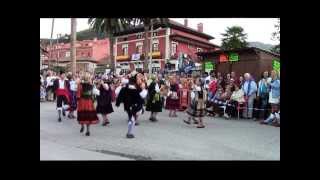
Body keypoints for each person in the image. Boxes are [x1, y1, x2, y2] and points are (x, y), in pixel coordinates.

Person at [116, 73, 148, 138]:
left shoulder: (135, 85)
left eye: (141, 78)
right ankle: (129, 133)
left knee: (133, 117)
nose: (140, 79)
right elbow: (142, 95)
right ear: (136, 78)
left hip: (132, 104)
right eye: (139, 78)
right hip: (132, 104)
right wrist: (144, 89)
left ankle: (129, 132)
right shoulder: (133, 86)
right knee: (132, 118)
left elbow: (120, 91)